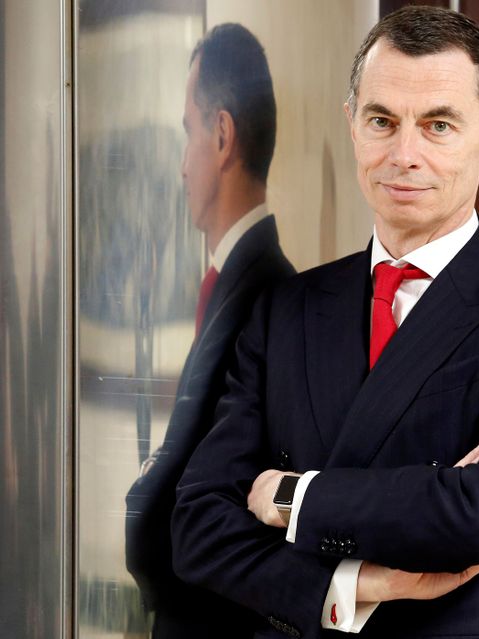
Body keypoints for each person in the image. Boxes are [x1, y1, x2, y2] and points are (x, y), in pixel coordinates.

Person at [172, 7, 479, 639]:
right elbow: (197, 526)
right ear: (353, 127)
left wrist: (292, 496)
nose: (404, 154)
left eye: (438, 125)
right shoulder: (286, 309)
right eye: (382, 121)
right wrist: (349, 585)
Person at [125, 23, 294, 639]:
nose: (180, 165)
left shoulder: (265, 292)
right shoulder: (239, 281)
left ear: (221, 137)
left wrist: (138, 520)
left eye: (187, 133)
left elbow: (196, 487)